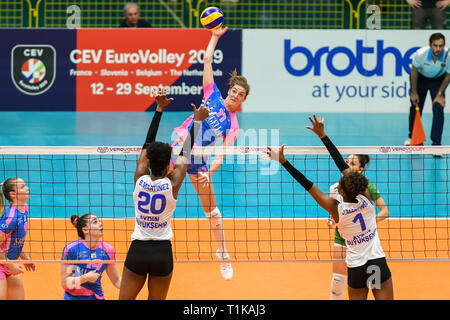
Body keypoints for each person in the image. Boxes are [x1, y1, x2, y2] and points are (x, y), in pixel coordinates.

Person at [265, 115, 394, 300]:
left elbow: (308, 185)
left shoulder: (337, 210)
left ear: (341, 191)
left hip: (357, 268)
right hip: (377, 262)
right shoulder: (366, 197)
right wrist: (323, 135)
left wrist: (284, 162)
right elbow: (341, 165)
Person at [170, 26, 250, 280]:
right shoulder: (211, 93)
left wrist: (210, 173)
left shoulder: (233, 125)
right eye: (235, 91)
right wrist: (214, 36)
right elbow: (206, 60)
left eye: (241, 95)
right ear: (230, 90)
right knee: (165, 194)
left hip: (199, 159)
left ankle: (223, 254)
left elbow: (221, 155)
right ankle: (156, 235)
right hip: (180, 146)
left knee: (213, 212)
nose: (236, 95)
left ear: (243, 100)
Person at [118, 89, 209, 300]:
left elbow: (147, 145)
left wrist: (159, 109)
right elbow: (185, 153)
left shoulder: (139, 178)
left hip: (138, 250)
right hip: (162, 253)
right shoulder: (173, 183)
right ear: (168, 165)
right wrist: (196, 122)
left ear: (148, 161)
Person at [405, 33, 450, 155]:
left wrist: (440, 94)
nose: (438, 49)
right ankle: (412, 136)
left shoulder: (448, 55)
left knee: (438, 107)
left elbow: (448, 75)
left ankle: (436, 145)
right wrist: (414, 92)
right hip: (421, 79)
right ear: (430, 45)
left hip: (438, 81)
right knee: (416, 106)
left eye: (441, 46)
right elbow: (413, 72)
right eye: (435, 46)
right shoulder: (420, 54)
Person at [60, 213, 121, 300]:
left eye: (99, 221)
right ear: (85, 230)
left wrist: (134, 285)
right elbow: (65, 283)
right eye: (95, 222)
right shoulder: (71, 249)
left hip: (96, 297)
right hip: (72, 297)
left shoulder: (108, 250)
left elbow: (117, 280)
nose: (100, 223)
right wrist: (85, 278)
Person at [0, 177, 35, 300]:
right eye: (22, 187)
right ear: (13, 194)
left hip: (9, 261)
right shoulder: (11, 218)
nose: (27, 188)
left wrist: (24, 257)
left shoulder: (24, 208)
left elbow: (14, 240)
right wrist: (10, 265)